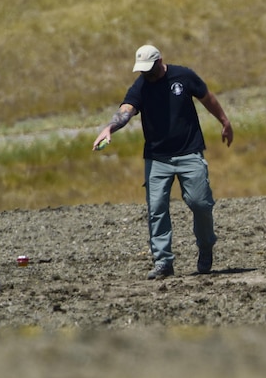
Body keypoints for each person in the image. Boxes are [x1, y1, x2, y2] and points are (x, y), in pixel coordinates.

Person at [93, 45, 234, 279]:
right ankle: (163, 262)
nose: (146, 74)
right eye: (142, 71)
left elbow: (206, 96)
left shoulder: (183, 76)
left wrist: (224, 121)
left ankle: (206, 246)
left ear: (160, 61)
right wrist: (110, 127)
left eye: (149, 69)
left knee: (200, 203)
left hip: (189, 152)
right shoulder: (141, 86)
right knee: (157, 209)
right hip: (157, 158)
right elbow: (126, 110)